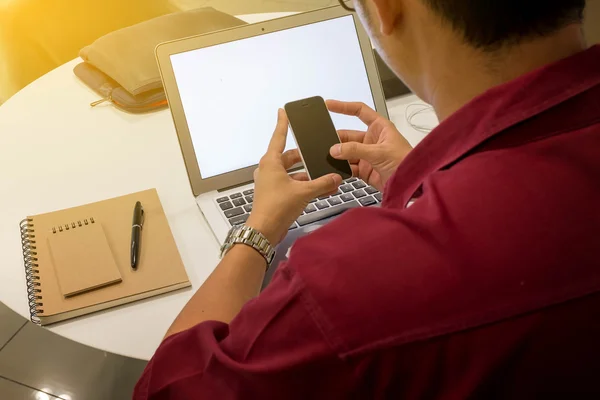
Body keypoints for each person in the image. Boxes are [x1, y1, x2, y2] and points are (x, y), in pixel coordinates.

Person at [134, 0, 600, 398]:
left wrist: (257, 231)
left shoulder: (347, 283)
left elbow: (169, 388)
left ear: (384, 8)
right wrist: (433, 177)